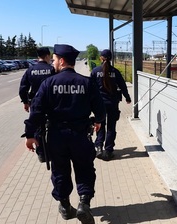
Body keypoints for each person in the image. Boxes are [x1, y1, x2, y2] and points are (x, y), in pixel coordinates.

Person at [23, 44, 106, 224]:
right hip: (80, 135)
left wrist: (30, 135)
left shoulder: (48, 83)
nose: (52, 63)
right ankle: (84, 203)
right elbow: (100, 108)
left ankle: (65, 206)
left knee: (60, 170)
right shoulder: (86, 82)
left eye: (53, 60)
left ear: (61, 61)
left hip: (56, 136)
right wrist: (98, 121)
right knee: (84, 168)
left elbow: (36, 111)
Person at [90, 49, 131, 161]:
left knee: (100, 125)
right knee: (111, 127)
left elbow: (90, 88)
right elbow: (123, 86)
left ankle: (98, 147)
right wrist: (127, 98)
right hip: (112, 103)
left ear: (101, 58)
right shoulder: (115, 71)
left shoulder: (95, 71)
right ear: (111, 59)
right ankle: (108, 151)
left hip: (99, 104)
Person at [19, 47, 55, 163]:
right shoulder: (52, 69)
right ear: (47, 56)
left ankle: (41, 153)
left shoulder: (30, 70)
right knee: (53, 127)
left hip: (36, 104)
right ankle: (53, 150)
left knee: (38, 129)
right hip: (52, 104)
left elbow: (22, 88)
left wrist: (25, 102)